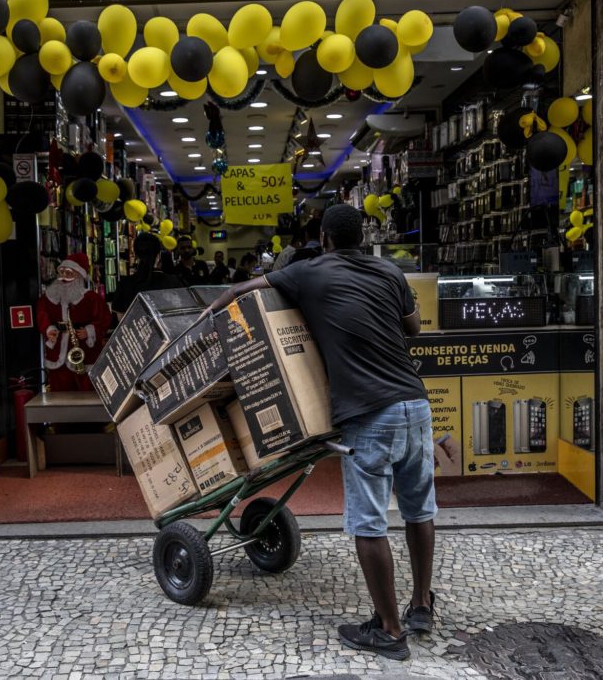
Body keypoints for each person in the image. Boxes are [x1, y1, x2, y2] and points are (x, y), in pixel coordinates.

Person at [207, 204, 439, 661]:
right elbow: (412, 327)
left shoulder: (309, 272)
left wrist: (208, 315)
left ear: (326, 240)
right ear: (361, 237)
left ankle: (389, 631)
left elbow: (241, 291)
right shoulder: (389, 271)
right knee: (419, 510)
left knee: (368, 524)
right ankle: (420, 606)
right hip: (415, 404)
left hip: (369, 413)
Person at [36, 253, 110, 392]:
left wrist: (89, 330)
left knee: (86, 392)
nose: (63, 277)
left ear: (79, 275)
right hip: (58, 354)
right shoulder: (49, 298)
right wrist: (48, 329)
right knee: (59, 393)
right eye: (61, 272)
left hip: (84, 351)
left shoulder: (91, 298)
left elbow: (104, 319)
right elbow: (42, 314)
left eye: (69, 273)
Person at [112, 233, 185, 319]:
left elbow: (122, 319)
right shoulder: (173, 281)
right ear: (158, 255)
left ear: (135, 254)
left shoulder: (125, 284)